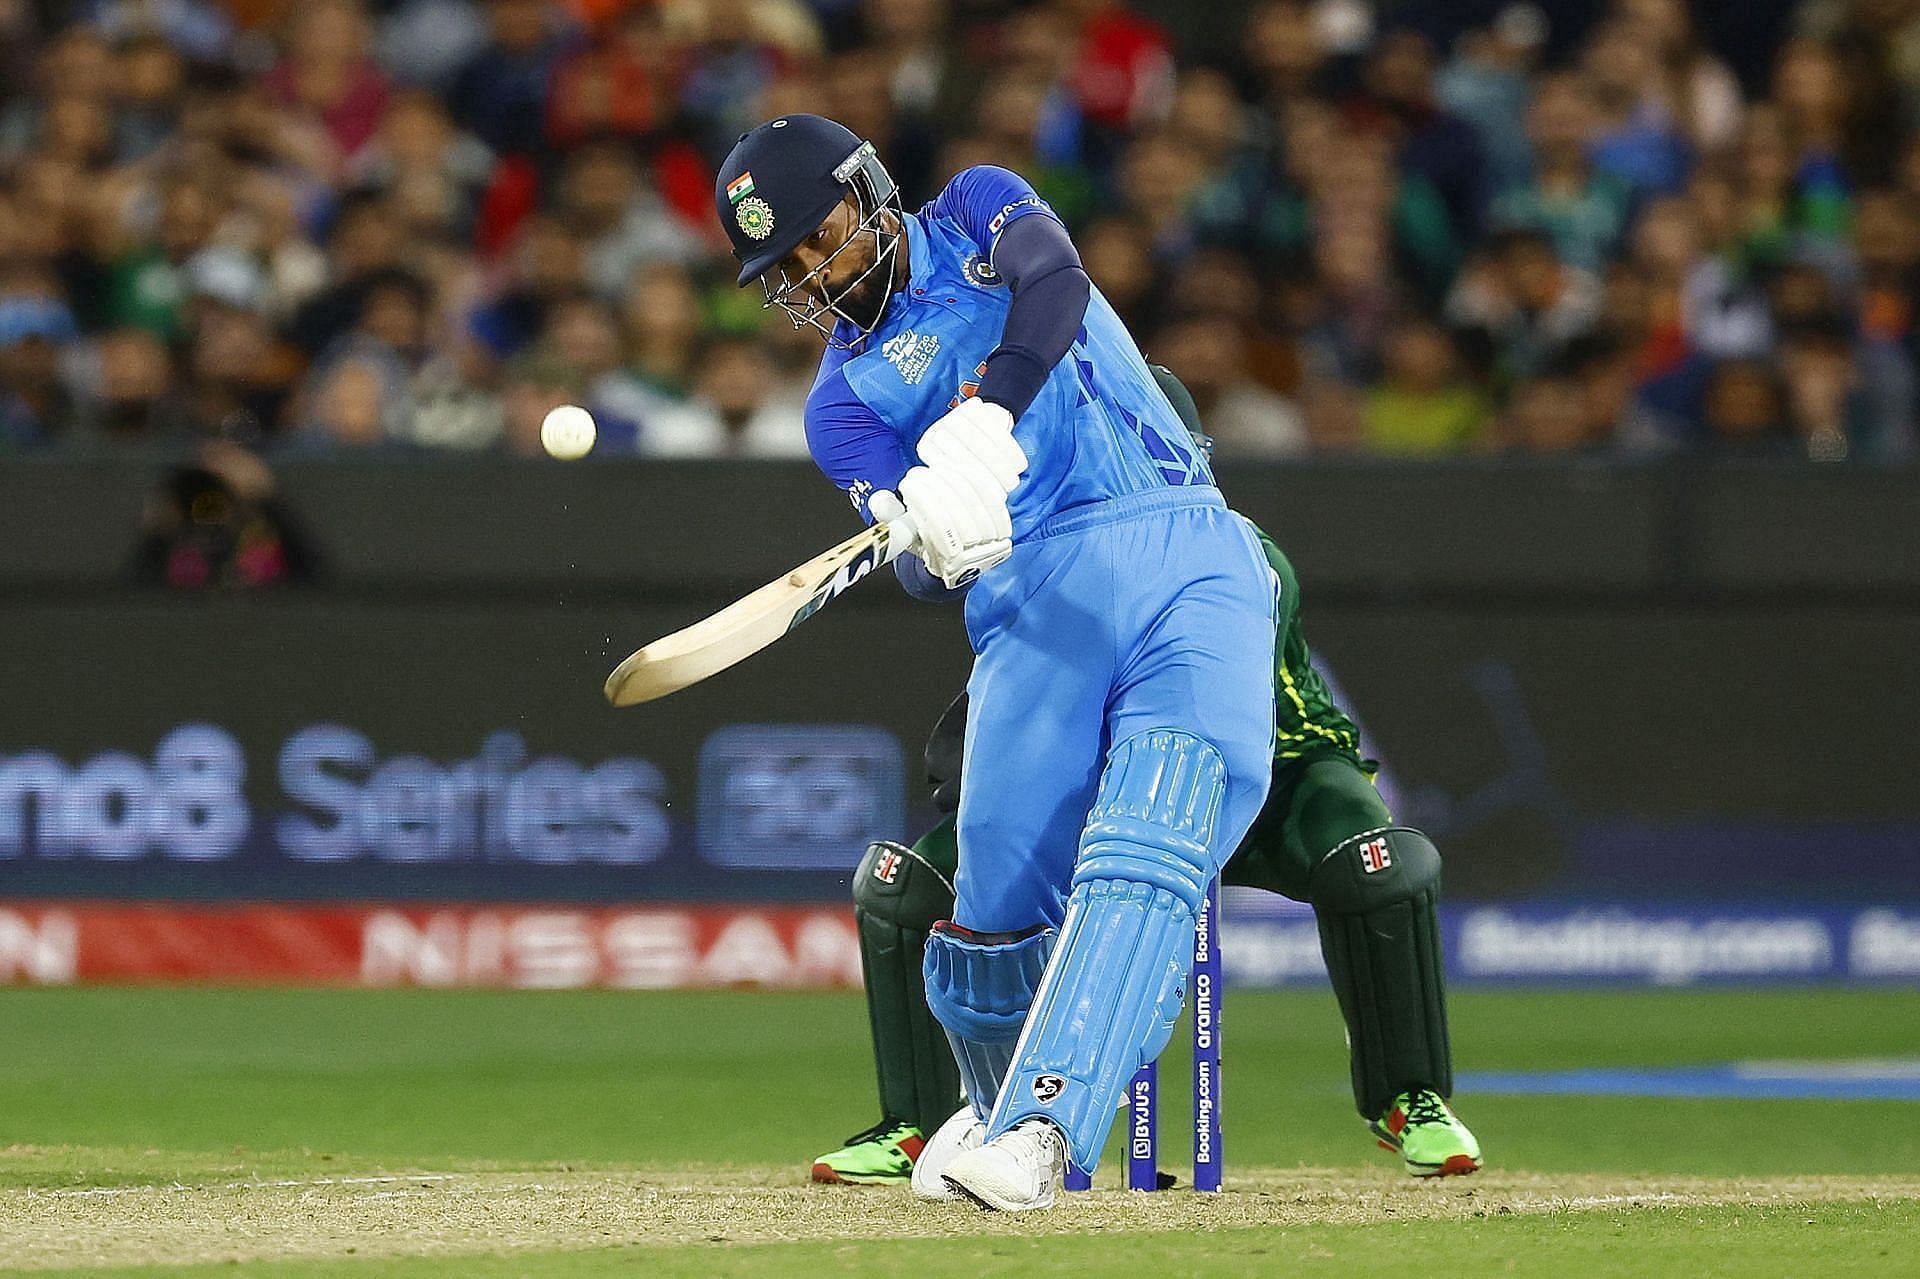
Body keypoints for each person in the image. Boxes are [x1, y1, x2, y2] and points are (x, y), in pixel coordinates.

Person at [714, 115, 1275, 1211]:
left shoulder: (975, 204)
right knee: (992, 907)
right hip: (1033, 604)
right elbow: (922, 569)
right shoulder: (840, 408)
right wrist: (935, 532)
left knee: (1149, 843)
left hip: (1184, 546)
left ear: (867, 188)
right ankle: (994, 1094)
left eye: (812, 238)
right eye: (780, 268)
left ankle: (1042, 1128)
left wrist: (991, 414)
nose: (806, 275)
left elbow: (1056, 287)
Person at [810, 368, 1480, 1189]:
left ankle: (1407, 1096)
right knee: (905, 881)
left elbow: (1284, 711)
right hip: (1098, 788)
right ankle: (925, 1122)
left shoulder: (1240, 554)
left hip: (1254, 780)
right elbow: (1010, 709)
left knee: (1385, 861)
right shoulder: (1037, 548)